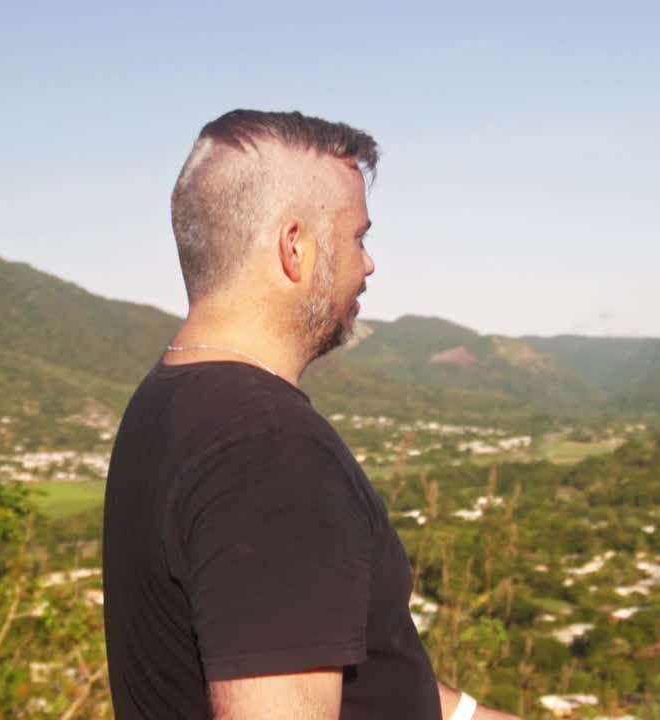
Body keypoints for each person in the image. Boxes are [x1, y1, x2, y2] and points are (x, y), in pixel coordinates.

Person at [103, 109, 518, 720]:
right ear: (295, 247)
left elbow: (352, 673)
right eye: (358, 237)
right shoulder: (268, 454)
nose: (369, 264)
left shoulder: (170, 401)